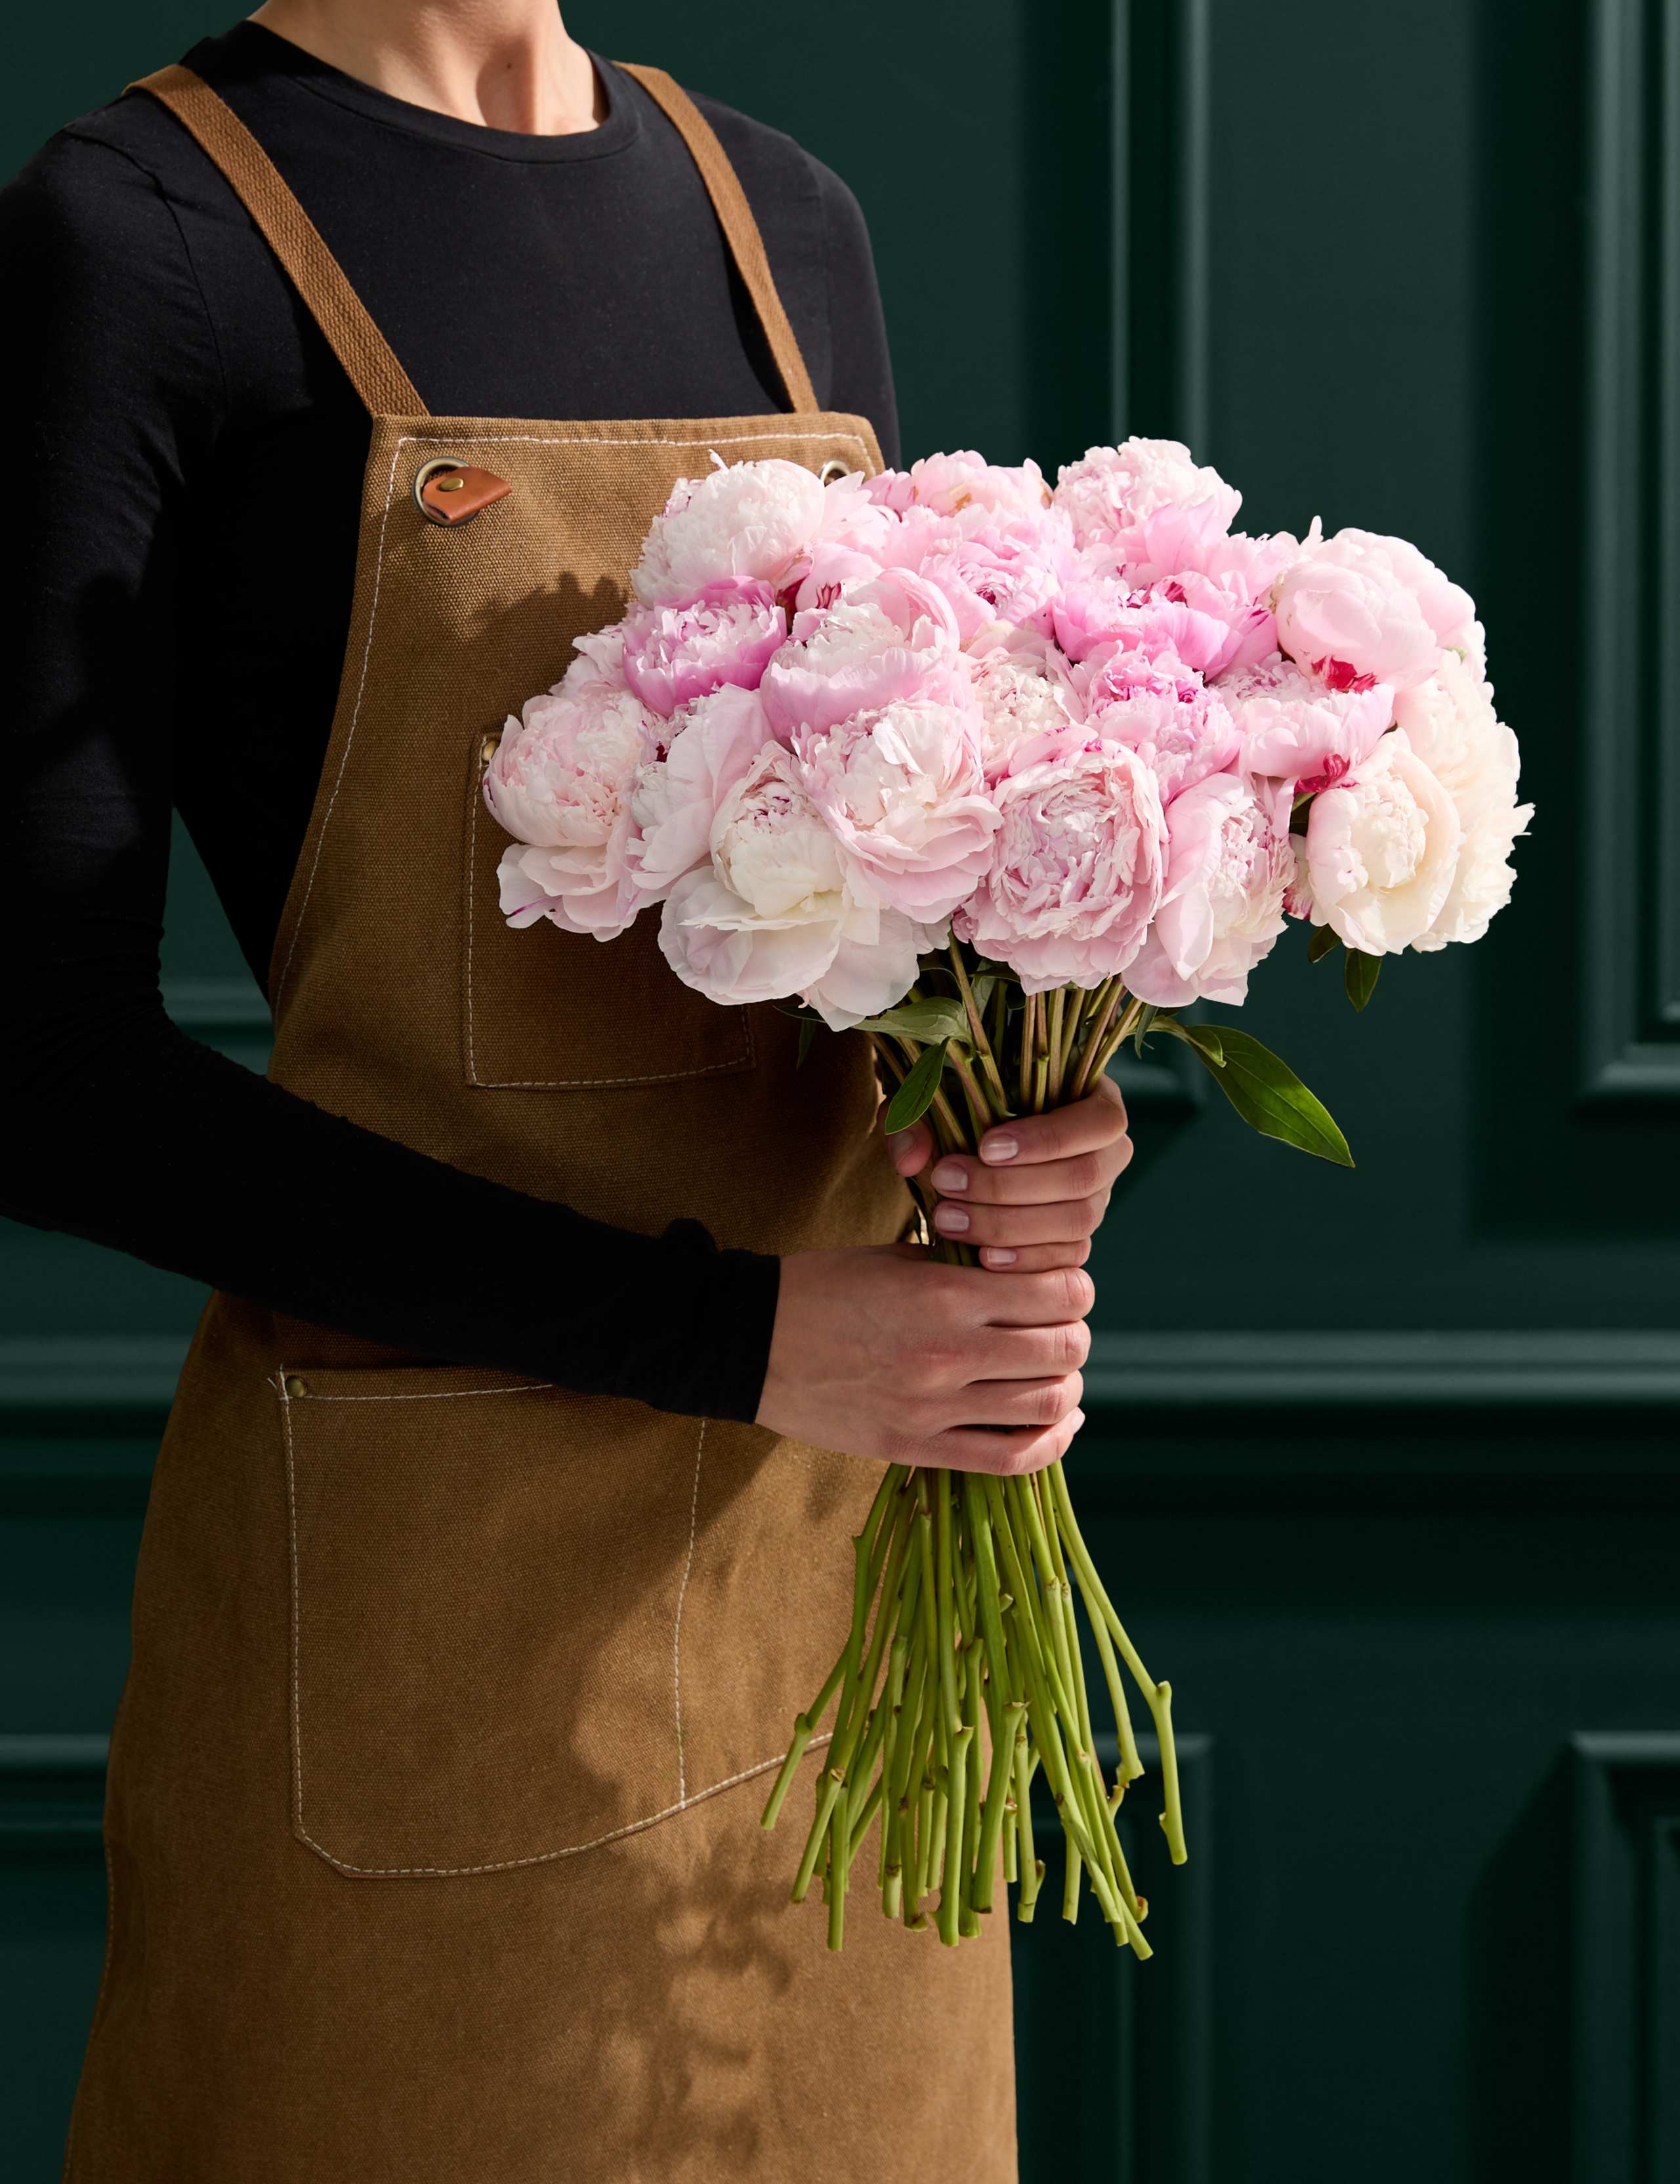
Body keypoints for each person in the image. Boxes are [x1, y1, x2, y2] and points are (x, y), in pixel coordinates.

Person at [3, 6, 1134, 2177]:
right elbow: (41, 1069)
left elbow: (880, 917)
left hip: (845, 1592)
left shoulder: (786, 224)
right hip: (430, 1638)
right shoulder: (138, 239)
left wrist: (1020, 1117)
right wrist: (735, 1337)